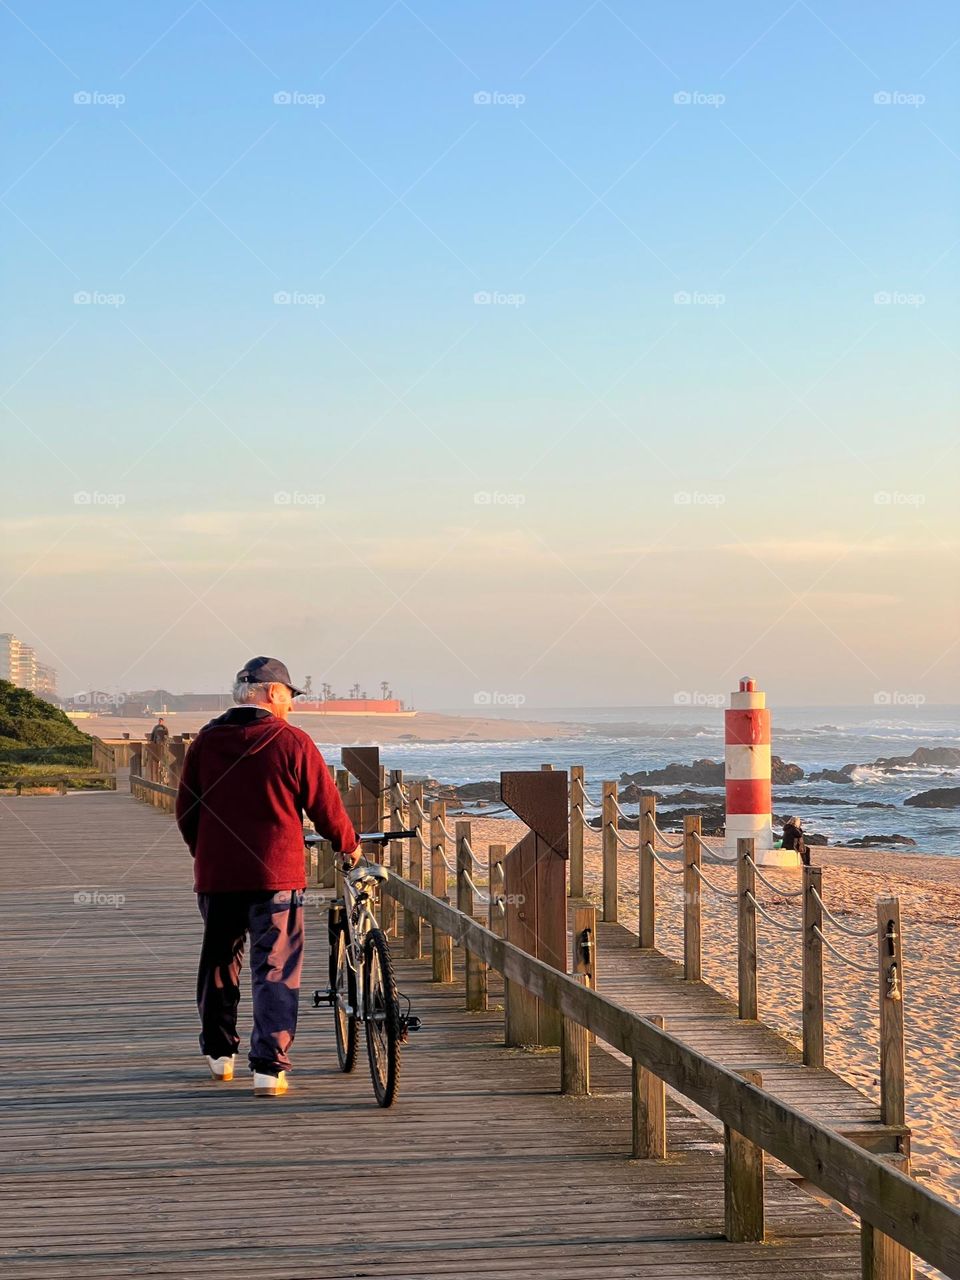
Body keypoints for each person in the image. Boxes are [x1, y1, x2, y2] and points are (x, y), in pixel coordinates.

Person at [175, 657, 360, 1098]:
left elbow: (186, 811)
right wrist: (348, 845)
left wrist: (206, 853)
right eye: (289, 697)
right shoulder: (291, 742)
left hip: (218, 876)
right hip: (276, 874)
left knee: (220, 962)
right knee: (275, 966)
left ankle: (220, 1057)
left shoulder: (205, 742)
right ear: (272, 694)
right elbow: (325, 807)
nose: (292, 707)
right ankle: (268, 1069)